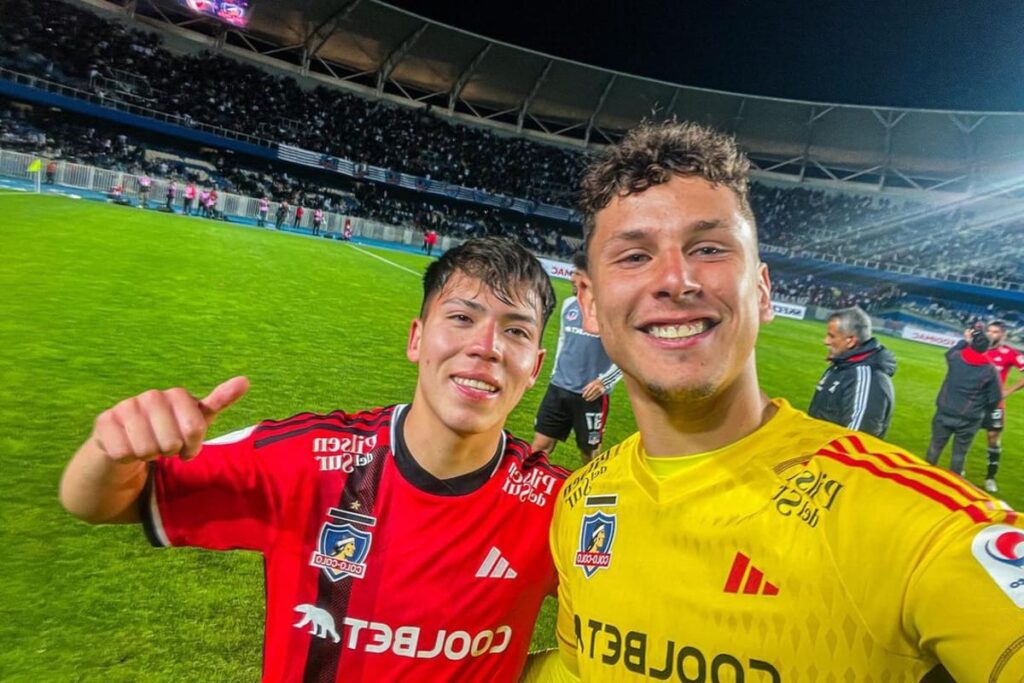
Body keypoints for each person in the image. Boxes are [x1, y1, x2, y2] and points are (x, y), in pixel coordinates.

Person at [524, 121, 1024, 682]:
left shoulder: (908, 524)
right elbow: (577, 667)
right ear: (587, 303)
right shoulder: (583, 500)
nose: (675, 279)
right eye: (634, 255)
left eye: (708, 248)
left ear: (762, 292)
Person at [59, 237, 568, 682]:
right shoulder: (308, 459)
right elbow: (99, 502)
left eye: (517, 332)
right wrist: (111, 450)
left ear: (535, 368)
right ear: (417, 338)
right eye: (462, 318)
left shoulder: (562, 508)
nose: (486, 347)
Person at [532, 251, 622, 463]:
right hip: (558, 389)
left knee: (588, 455)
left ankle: (587, 493)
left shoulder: (612, 313)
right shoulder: (568, 305)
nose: (572, 278)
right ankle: (531, 492)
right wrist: (555, 374)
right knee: (539, 447)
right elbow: (563, 341)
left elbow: (627, 357)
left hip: (590, 397)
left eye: (578, 273)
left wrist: (603, 382)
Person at [925, 324, 1004, 478]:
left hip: (945, 412)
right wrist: (981, 410)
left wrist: (965, 341)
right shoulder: (990, 370)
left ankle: (924, 480)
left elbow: (949, 353)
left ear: (971, 343)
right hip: (969, 418)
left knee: (934, 447)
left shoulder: (956, 358)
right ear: (988, 348)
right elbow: (995, 398)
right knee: (959, 454)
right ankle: (953, 487)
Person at [807, 306, 896, 438]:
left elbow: (856, 440)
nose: (826, 341)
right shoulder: (840, 366)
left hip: (831, 457)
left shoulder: (867, 378)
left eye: (832, 336)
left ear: (850, 341)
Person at [981, 320, 1024, 492]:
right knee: (965, 434)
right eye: (989, 331)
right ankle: (958, 469)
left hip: (995, 404)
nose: (991, 334)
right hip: (973, 401)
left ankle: (990, 477)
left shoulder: (1010, 353)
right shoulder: (979, 349)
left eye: (995, 332)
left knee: (993, 438)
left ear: (1003, 335)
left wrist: (1008, 390)